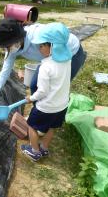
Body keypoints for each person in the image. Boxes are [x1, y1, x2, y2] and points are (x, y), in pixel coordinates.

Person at [0, 18, 86, 113]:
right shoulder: (12, 48)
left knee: (56, 88)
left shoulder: (38, 38)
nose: (6, 49)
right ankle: (39, 112)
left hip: (69, 53)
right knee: (35, 85)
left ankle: (52, 116)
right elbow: (4, 72)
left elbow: (57, 49)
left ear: (17, 39)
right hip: (48, 58)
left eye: (7, 46)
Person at [21, 23, 71, 161]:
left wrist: (31, 98)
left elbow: (42, 92)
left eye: (42, 45)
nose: (39, 48)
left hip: (46, 107)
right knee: (52, 127)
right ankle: (44, 148)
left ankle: (35, 151)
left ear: (53, 46)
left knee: (31, 126)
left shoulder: (46, 66)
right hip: (62, 105)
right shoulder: (67, 59)